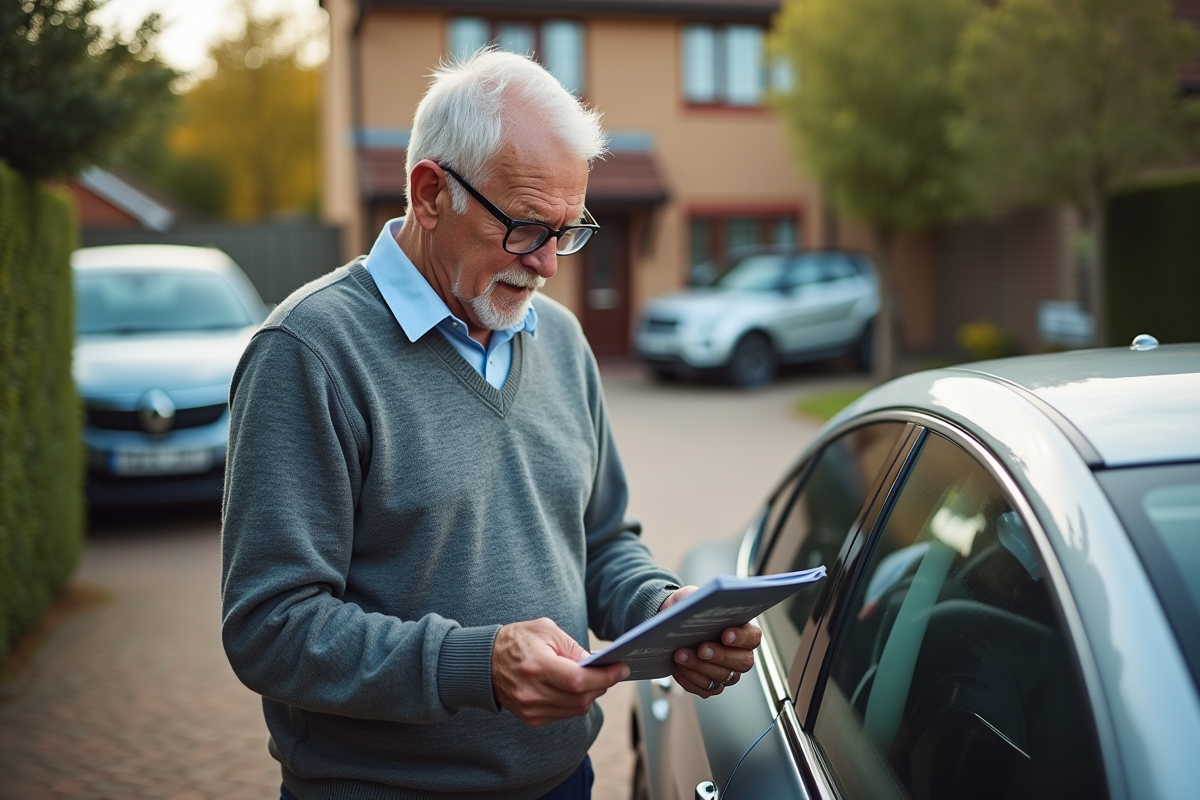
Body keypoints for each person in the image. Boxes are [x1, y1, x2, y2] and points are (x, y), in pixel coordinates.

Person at [220, 48, 761, 800]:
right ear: (431, 192)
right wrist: (477, 665)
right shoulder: (309, 352)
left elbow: (601, 541)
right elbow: (269, 628)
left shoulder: (563, 339)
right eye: (528, 228)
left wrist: (663, 613)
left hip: (563, 780)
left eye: (569, 231)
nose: (548, 266)